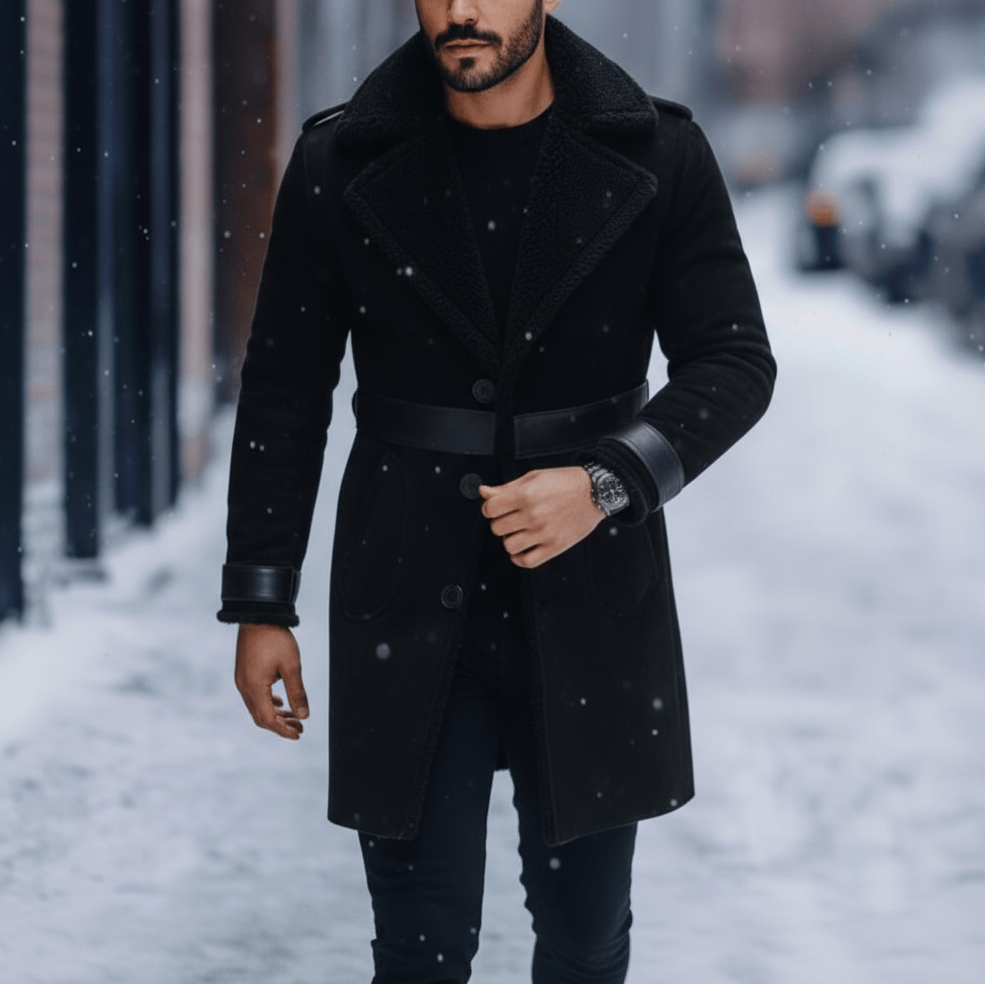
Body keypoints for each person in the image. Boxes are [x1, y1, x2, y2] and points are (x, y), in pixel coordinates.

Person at [218, 1, 775, 982]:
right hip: (404, 585)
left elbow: (732, 361)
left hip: (594, 588)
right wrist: (261, 598)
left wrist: (606, 481)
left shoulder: (658, 153)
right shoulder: (340, 161)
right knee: (419, 947)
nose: (461, 11)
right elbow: (284, 388)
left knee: (585, 938)